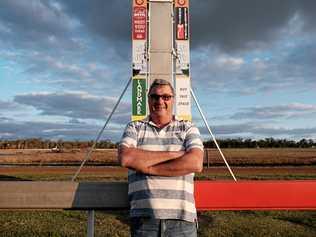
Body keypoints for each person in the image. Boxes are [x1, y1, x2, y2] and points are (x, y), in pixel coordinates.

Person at [118, 79, 204, 237]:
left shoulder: (188, 127)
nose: (160, 101)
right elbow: (126, 158)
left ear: (173, 99)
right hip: (144, 219)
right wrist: (176, 155)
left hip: (181, 219)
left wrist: (148, 167)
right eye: (155, 97)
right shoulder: (134, 127)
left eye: (166, 97)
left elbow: (195, 162)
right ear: (148, 99)